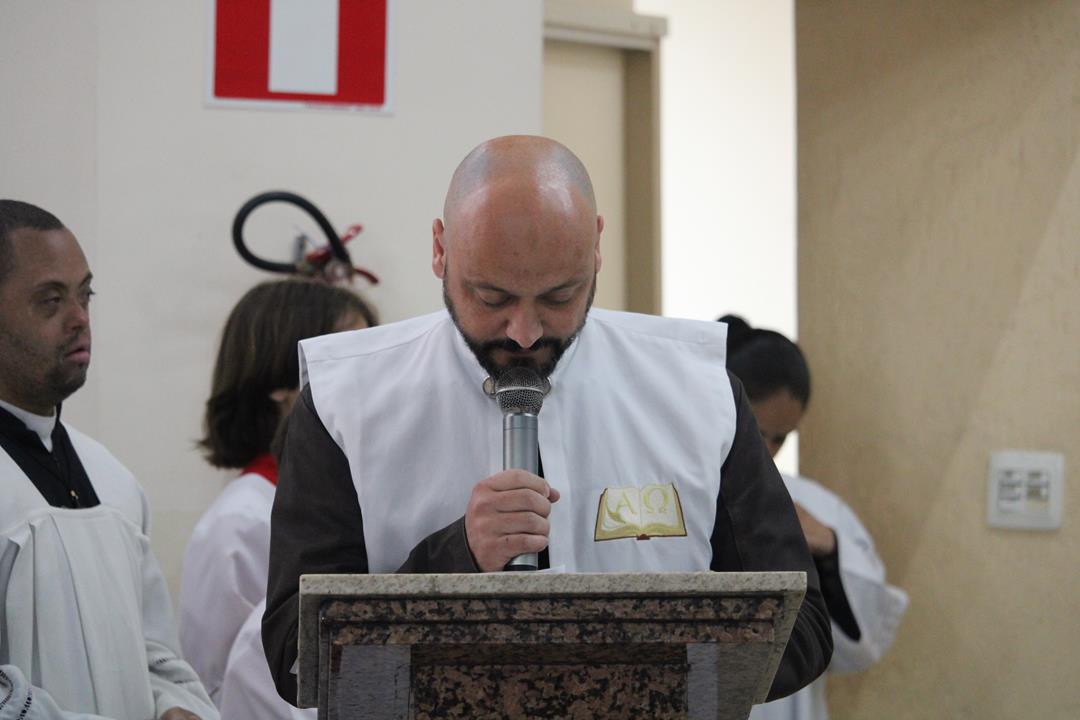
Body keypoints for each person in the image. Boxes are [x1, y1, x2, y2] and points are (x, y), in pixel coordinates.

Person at [262, 136, 834, 707]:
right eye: (492, 298)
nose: (525, 332)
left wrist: (621, 680)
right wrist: (455, 558)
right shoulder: (346, 401)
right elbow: (295, 657)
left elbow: (801, 627)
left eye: (560, 296)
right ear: (440, 250)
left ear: (596, 250)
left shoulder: (696, 393)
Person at [0, 200, 217, 720]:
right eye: (51, 301)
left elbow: (155, 657)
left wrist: (174, 707)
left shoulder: (113, 479)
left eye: (85, 295)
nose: (80, 319)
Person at [179, 279, 374, 715]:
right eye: (344, 356)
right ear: (279, 382)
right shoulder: (239, 524)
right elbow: (214, 689)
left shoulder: (346, 510)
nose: (369, 378)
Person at [719, 315, 909, 720]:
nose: (767, 449)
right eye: (758, 431)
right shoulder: (674, 498)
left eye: (781, 437)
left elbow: (860, 642)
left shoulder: (813, 505)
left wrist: (831, 550)